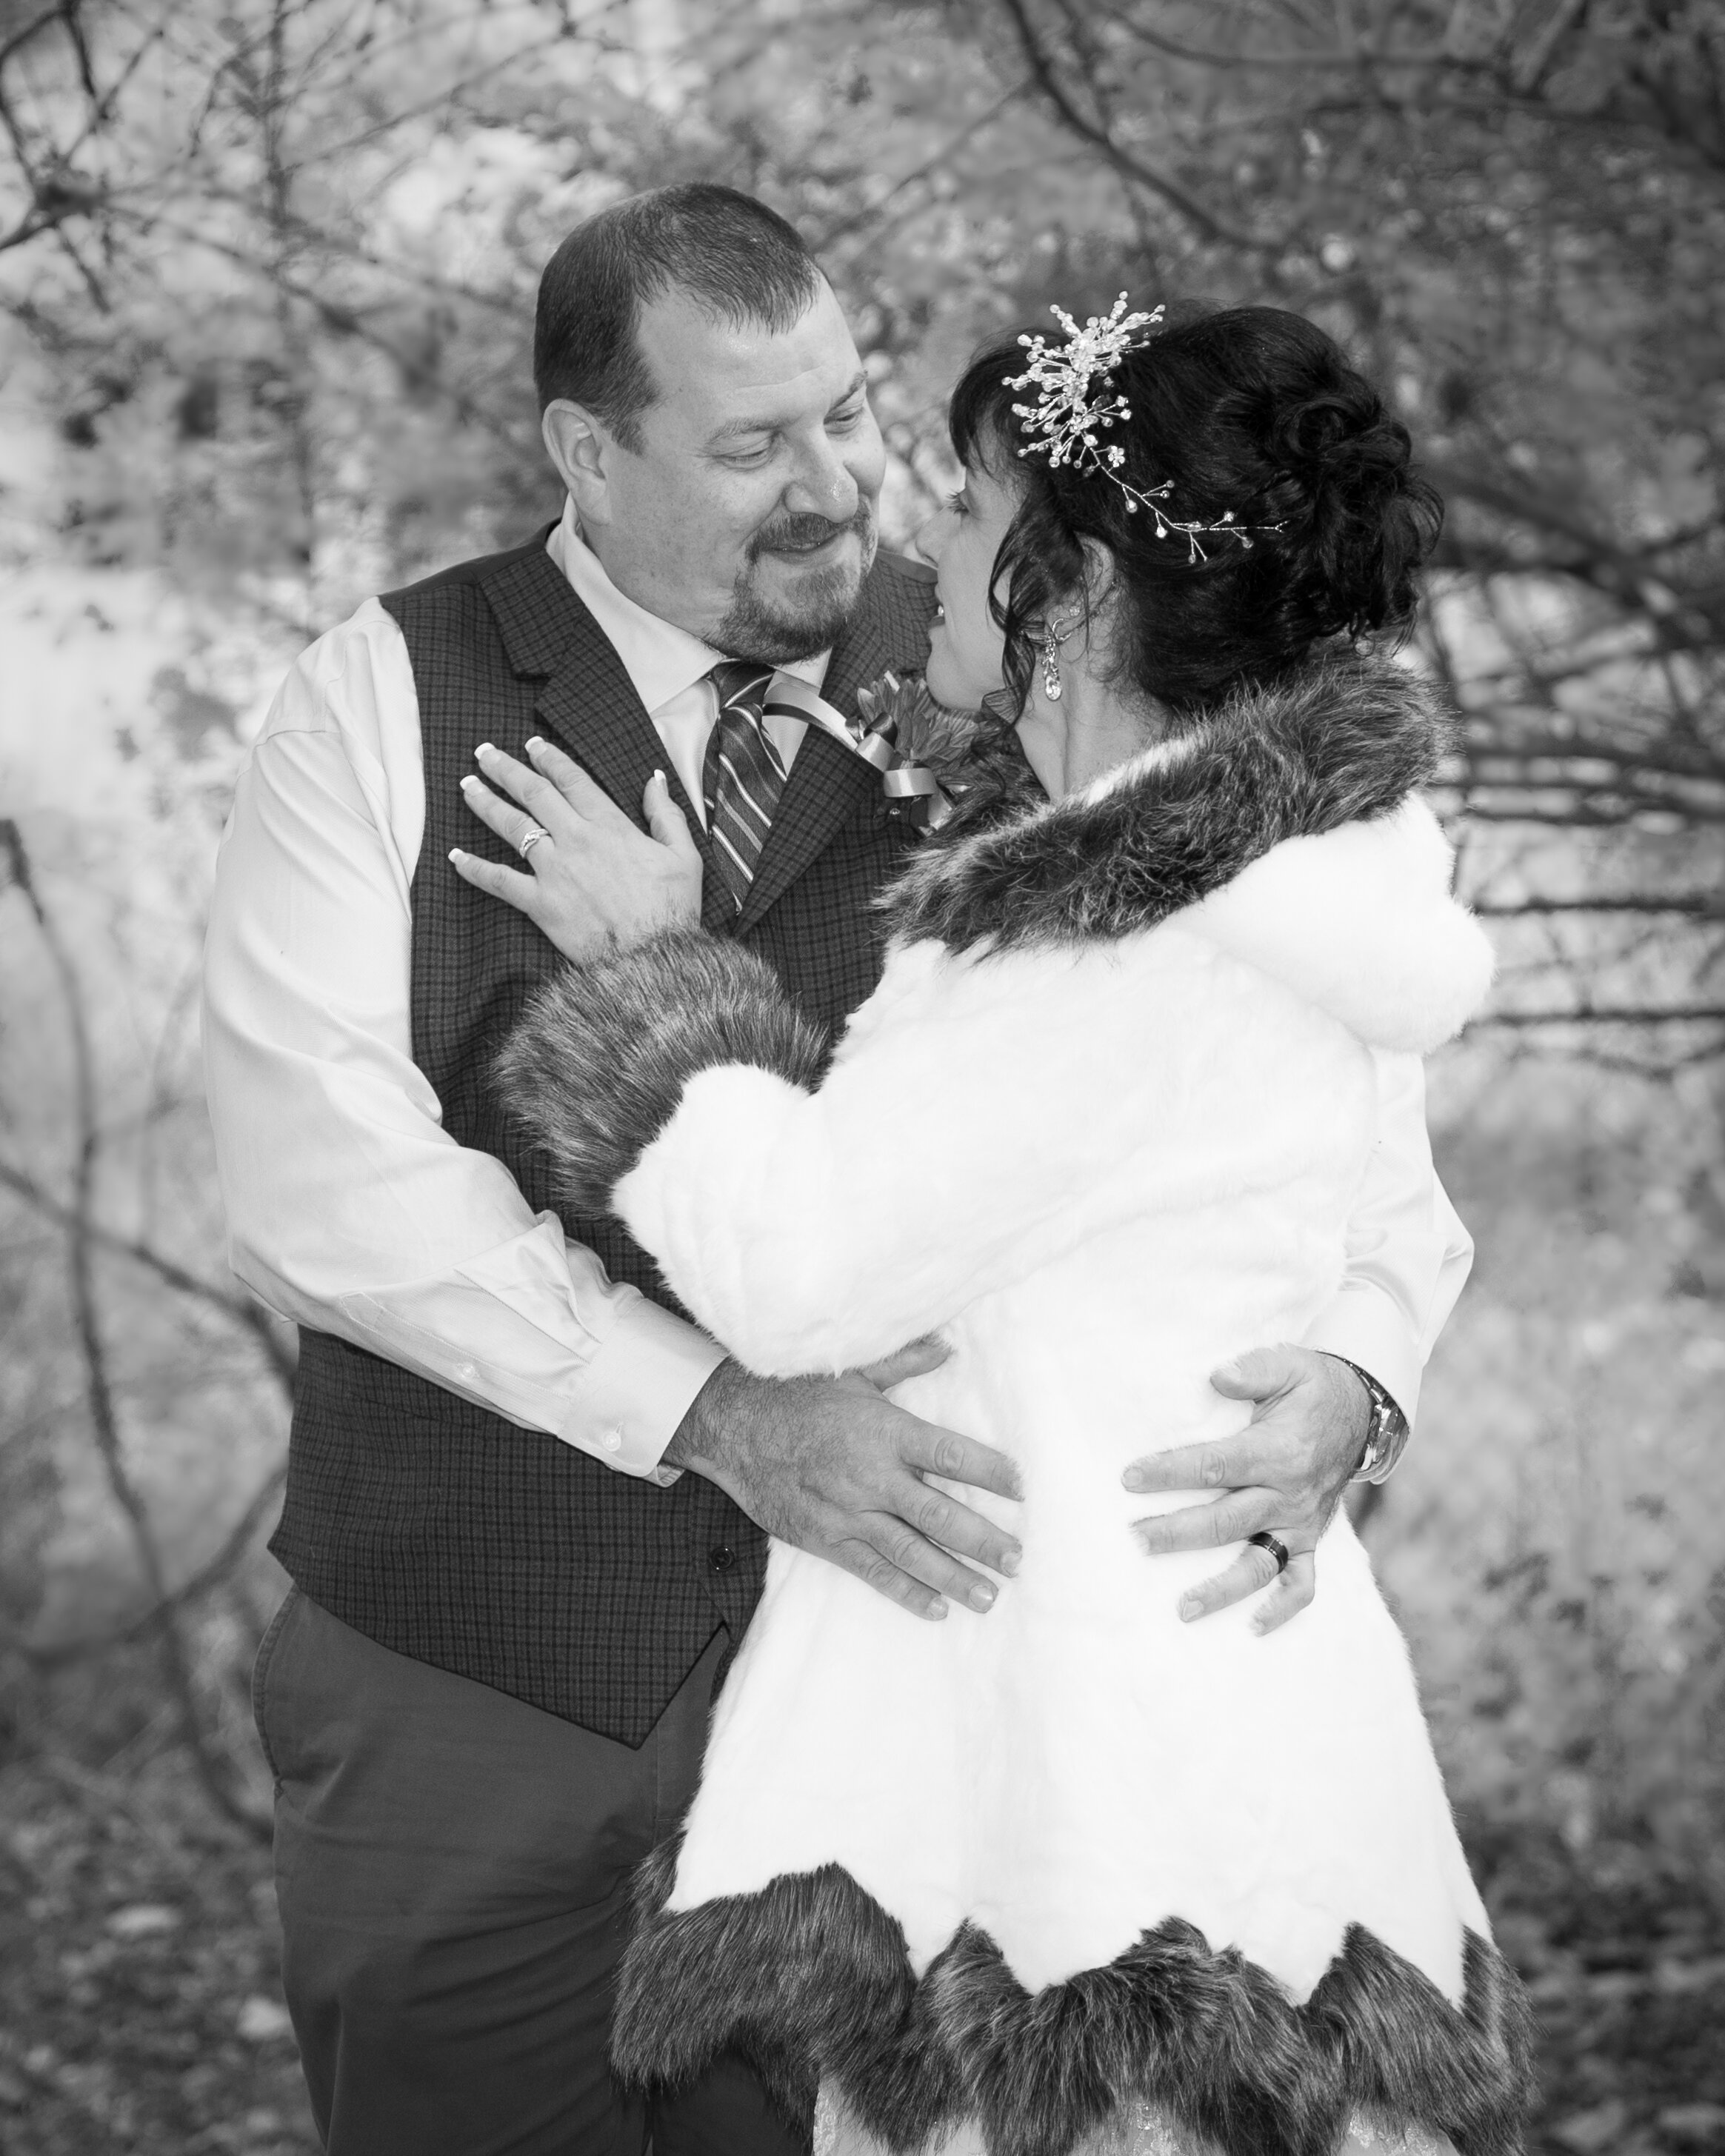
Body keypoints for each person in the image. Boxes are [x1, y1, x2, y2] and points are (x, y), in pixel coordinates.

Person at [202, 183, 1475, 2156]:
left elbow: (1356, 1144)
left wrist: (1358, 1375)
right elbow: (315, 1176)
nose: (837, 487)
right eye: (751, 446)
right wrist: (710, 1415)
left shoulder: (1029, 661)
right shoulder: (379, 695)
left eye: (848, 413)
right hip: (477, 1656)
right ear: (586, 449)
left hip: (927, 1705)